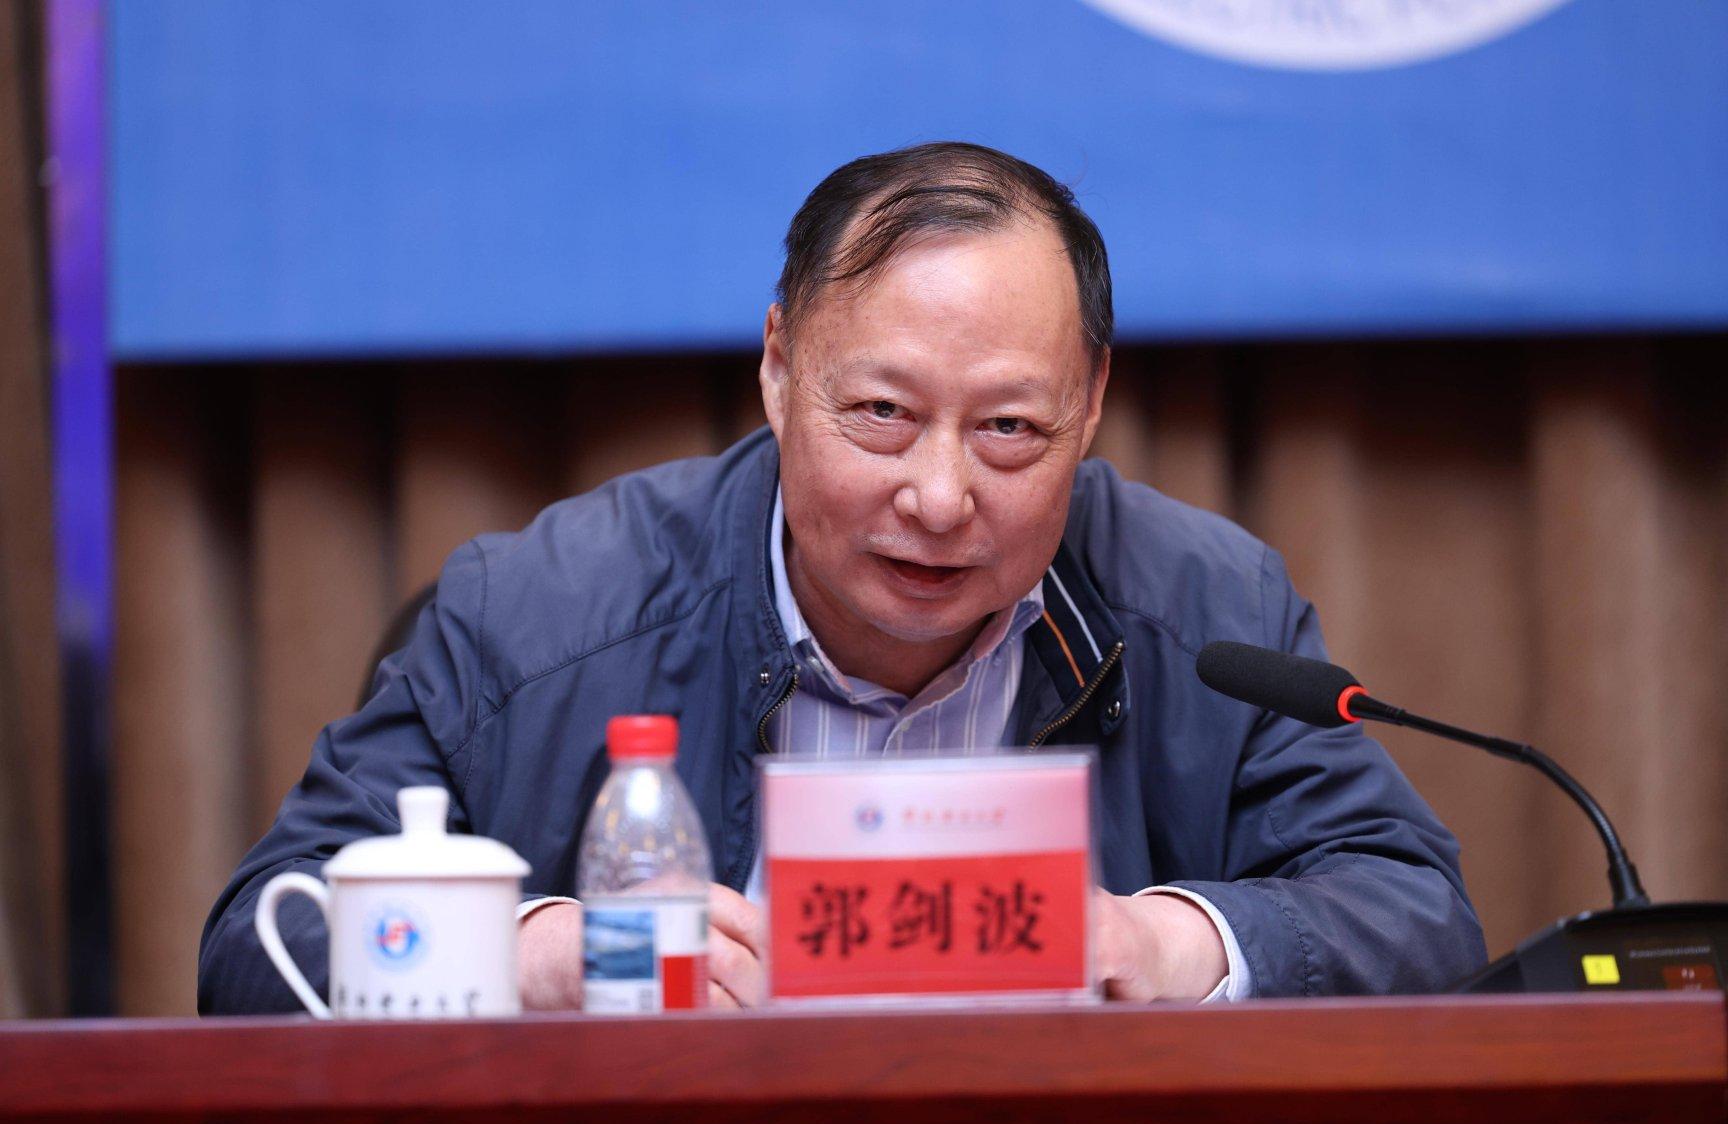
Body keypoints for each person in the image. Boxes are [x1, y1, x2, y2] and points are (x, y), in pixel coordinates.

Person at [199, 142, 1485, 1014]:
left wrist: (1162, 941)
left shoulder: (1205, 609)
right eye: (880, 414)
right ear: (777, 368)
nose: (939, 497)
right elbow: (260, 942)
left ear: (1091, 405)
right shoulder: (540, 613)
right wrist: (530, 955)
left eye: (1010, 429)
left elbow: (1419, 916)